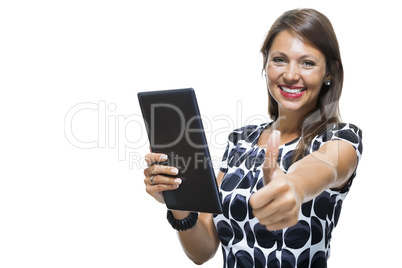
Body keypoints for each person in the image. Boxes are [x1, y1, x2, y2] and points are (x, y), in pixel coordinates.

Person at [143, 8, 363, 268]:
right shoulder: (240, 141)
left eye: (307, 63)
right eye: (280, 59)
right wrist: (176, 198)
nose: (291, 75)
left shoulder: (339, 138)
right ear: (266, 63)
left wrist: (292, 186)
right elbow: (202, 251)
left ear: (329, 72)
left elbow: (320, 169)